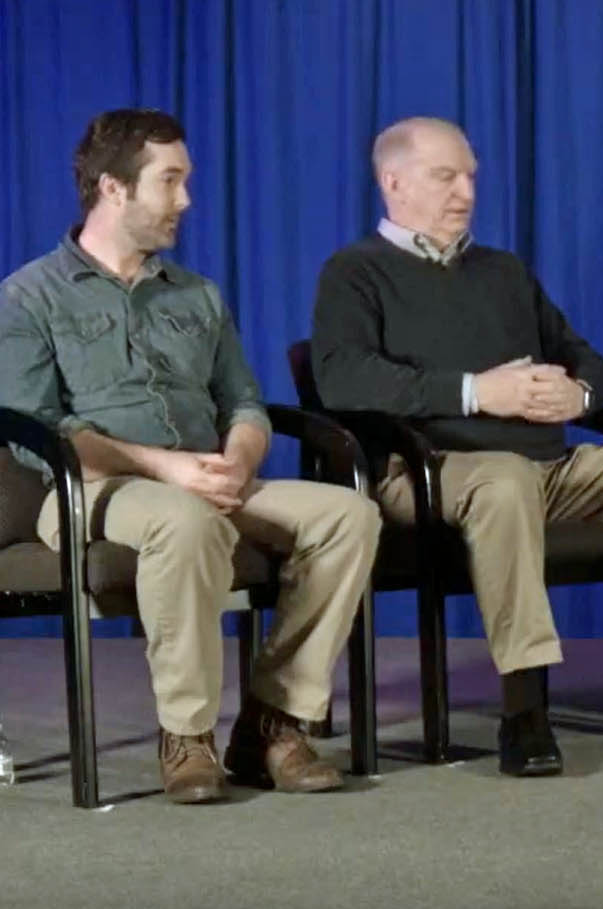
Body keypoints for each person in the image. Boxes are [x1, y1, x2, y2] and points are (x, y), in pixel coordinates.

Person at [311, 117, 603, 778]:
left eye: (470, 175)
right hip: (428, 472)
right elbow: (343, 377)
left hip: (545, 464)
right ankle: (525, 712)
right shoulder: (354, 272)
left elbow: (582, 357)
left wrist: (577, 397)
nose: (465, 191)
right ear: (394, 182)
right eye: (446, 177)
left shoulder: (501, 270)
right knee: (503, 478)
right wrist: (476, 391)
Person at [0, 109, 382, 804]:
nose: (187, 200)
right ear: (114, 189)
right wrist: (164, 466)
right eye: (170, 181)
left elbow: (244, 402)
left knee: (349, 513)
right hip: (89, 490)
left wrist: (239, 455)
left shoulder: (197, 296)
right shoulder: (28, 296)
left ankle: (274, 722)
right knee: (183, 517)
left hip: (206, 476)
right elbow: (42, 428)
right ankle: (187, 732)